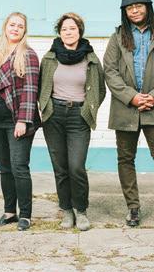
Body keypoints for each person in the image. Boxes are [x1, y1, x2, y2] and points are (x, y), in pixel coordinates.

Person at [103, 0, 154, 228]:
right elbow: (110, 71)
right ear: (124, 11)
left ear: (147, 7)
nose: (135, 11)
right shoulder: (117, 37)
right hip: (126, 109)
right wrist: (132, 97)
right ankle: (133, 208)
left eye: (138, 6)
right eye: (130, 8)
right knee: (126, 159)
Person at [39, 12, 106, 232]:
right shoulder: (50, 57)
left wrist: (88, 109)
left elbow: (100, 90)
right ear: (59, 33)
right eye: (64, 29)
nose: (68, 32)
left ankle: (81, 210)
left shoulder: (91, 59)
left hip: (79, 116)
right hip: (54, 115)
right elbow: (41, 86)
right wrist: (46, 107)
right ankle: (66, 210)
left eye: (73, 28)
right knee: (60, 167)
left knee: (76, 166)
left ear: (80, 31)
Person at [0, 13, 40, 231]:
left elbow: (31, 91)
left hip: (17, 120)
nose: (15, 28)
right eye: (12, 25)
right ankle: (10, 211)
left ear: (24, 31)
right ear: (5, 27)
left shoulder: (28, 55)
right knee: (4, 167)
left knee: (19, 166)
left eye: (20, 26)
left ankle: (26, 215)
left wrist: (23, 120)